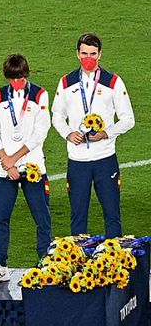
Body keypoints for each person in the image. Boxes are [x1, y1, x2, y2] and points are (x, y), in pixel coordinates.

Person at [54, 32, 135, 238]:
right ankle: (79, 264)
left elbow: (128, 119)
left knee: (112, 214)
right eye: (84, 53)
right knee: (78, 215)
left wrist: (106, 133)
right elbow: (56, 115)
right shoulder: (66, 82)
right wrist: (68, 133)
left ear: (100, 54)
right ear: (77, 54)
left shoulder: (113, 82)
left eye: (92, 53)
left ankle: (114, 264)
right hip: (77, 160)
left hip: (105, 159)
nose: (88, 58)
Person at [0, 53, 52, 286]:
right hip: (4, 170)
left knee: (42, 219)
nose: (16, 83)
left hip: (33, 166)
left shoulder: (40, 95)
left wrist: (14, 159)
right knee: (0, 219)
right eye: (12, 79)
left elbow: (40, 133)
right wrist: (6, 160)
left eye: (20, 78)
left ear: (26, 74)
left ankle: (45, 266)